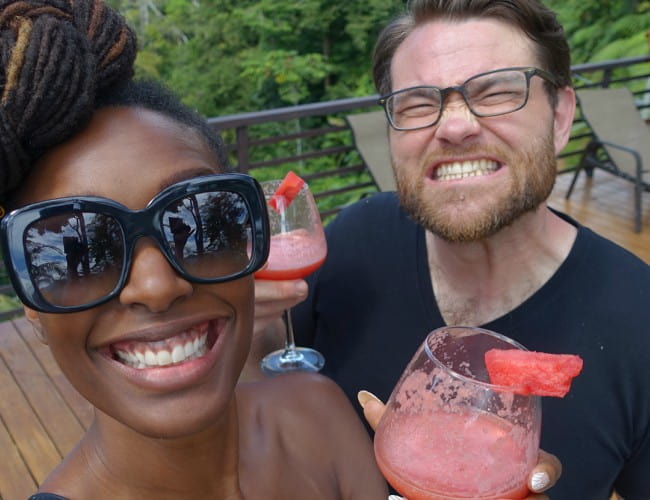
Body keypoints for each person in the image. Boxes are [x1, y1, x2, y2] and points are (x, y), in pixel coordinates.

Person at [251, 0, 650, 498]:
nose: (455, 125)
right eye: (418, 103)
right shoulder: (353, 242)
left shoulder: (639, 321)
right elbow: (259, 376)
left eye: (498, 92)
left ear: (561, 117)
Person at [0, 1, 389, 498]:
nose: (158, 286)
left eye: (201, 223)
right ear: (32, 305)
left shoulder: (318, 409)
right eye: (78, 253)